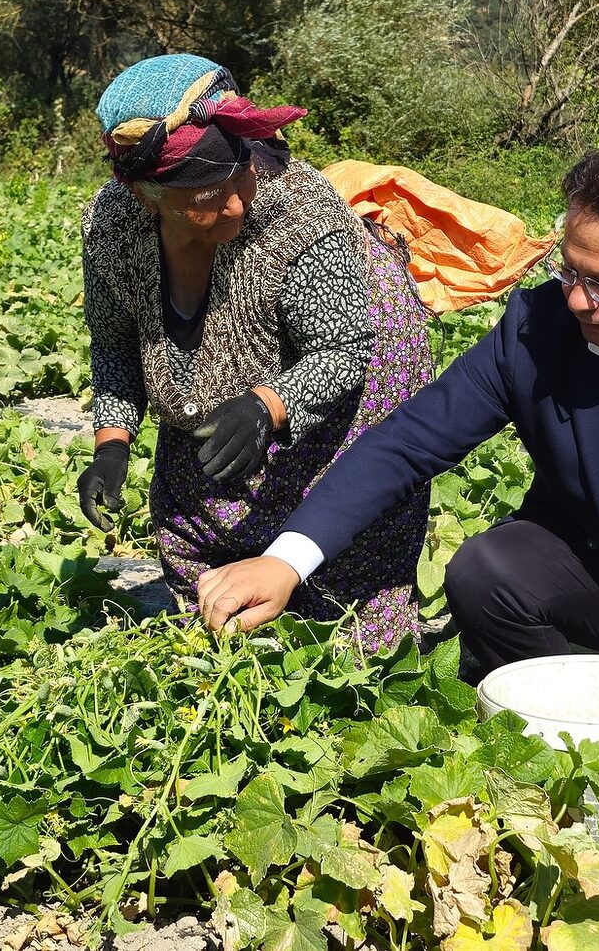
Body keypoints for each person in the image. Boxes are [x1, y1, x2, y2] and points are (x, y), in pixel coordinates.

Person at [197, 135, 599, 764]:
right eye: (570, 269)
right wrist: (284, 561)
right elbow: (408, 443)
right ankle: (561, 731)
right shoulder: (541, 328)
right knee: (488, 574)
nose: (576, 299)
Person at [76, 53, 433, 652]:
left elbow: (342, 348)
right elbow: (116, 344)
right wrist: (112, 446)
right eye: (204, 195)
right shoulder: (111, 227)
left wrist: (270, 404)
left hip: (357, 369)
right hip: (209, 383)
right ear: (145, 193)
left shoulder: (298, 213)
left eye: (238, 174)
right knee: (205, 579)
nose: (235, 204)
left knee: (343, 617)